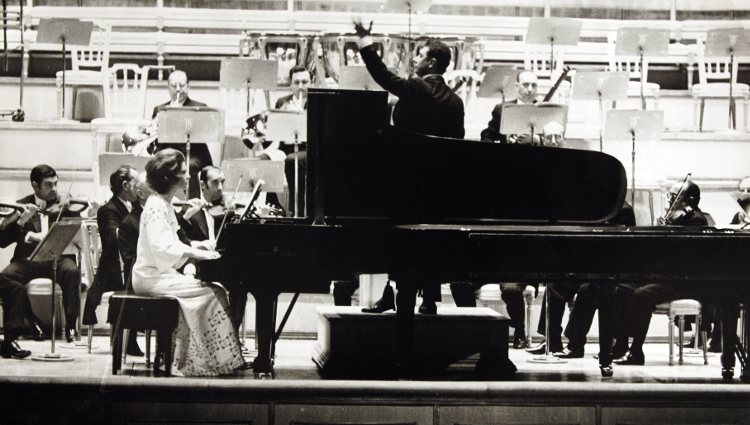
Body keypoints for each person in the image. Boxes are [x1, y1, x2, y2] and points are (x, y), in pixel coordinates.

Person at [353, 18, 465, 315]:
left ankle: (394, 294)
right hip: (439, 185)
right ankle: (428, 300)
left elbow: (384, 77)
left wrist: (365, 41)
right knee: (431, 240)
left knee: (398, 240)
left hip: (406, 180)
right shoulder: (455, 102)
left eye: (420, 54)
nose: (415, 58)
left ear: (431, 62)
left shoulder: (417, 88)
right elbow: (459, 144)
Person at [132, 149, 245, 376]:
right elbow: (162, 247)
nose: (188, 177)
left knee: (215, 291)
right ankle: (199, 361)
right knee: (213, 293)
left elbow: (172, 241)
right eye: (183, 173)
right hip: (150, 278)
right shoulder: (156, 205)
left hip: (159, 275)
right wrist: (198, 254)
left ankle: (195, 359)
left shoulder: (163, 203)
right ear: (170, 178)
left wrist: (198, 246)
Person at [615, 180, 712, 366]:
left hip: (684, 282)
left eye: (675, 196)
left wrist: (667, 231)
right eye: (671, 196)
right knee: (623, 289)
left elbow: (683, 257)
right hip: (669, 278)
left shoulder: (696, 220)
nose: (671, 200)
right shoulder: (678, 219)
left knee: (642, 295)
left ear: (690, 199)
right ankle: (620, 346)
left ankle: (636, 351)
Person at [0, 164, 86, 343]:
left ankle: (71, 326)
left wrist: (76, 211)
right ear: (35, 185)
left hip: (59, 258)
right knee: (6, 277)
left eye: (56, 184)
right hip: (28, 260)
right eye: (48, 185)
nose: (54, 189)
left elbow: (78, 231)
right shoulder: (21, 205)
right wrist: (20, 222)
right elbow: (3, 242)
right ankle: (30, 322)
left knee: (72, 271)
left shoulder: (66, 203)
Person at [82, 165, 141, 356]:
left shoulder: (131, 207)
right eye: (136, 183)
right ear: (125, 185)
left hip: (127, 264)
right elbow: (114, 239)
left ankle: (133, 339)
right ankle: (127, 343)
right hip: (112, 270)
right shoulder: (108, 210)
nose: (140, 187)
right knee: (137, 284)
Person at [152, 70, 212, 198]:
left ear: (188, 86)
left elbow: (205, 134)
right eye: (174, 86)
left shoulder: (200, 107)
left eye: (182, 85)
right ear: (168, 88)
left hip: (194, 154)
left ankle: (193, 204)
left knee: (188, 166)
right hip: (167, 154)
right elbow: (155, 139)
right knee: (156, 165)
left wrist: (178, 116)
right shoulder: (160, 109)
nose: (178, 89)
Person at [480, 70, 539, 144]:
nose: (530, 89)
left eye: (534, 85)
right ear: (517, 86)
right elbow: (487, 135)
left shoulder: (544, 109)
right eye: (526, 84)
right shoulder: (501, 109)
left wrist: (539, 139)